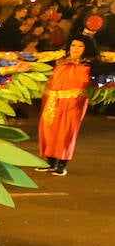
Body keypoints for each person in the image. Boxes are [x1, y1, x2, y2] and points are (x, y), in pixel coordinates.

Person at [36, 32, 115, 175]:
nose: (76, 48)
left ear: (87, 48)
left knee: (66, 132)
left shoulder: (91, 65)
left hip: (73, 104)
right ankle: (51, 162)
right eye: (73, 45)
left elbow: (109, 69)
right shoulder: (59, 60)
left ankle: (62, 164)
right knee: (48, 130)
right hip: (52, 101)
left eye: (80, 46)